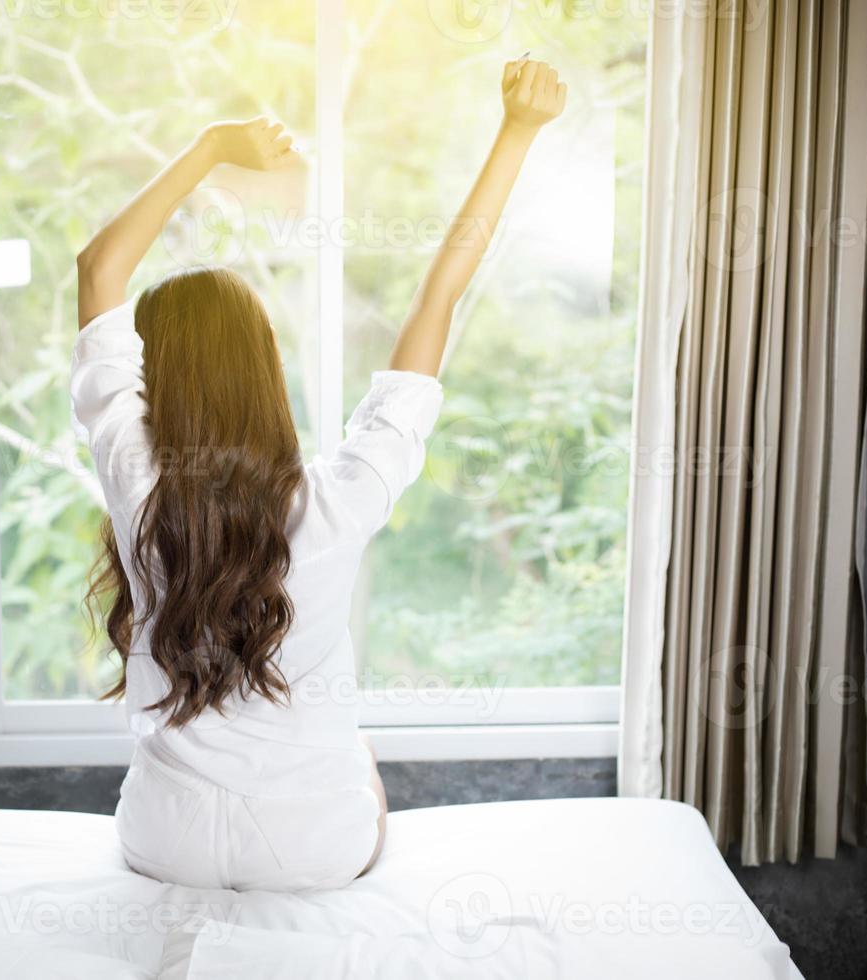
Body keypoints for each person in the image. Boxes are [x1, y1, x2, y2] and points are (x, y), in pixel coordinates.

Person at [71, 58, 566, 891]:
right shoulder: (340, 500)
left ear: (157, 384)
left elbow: (98, 270)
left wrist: (209, 149)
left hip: (164, 840)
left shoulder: (138, 483)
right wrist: (517, 132)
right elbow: (435, 303)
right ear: (264, 374)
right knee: (358, 751)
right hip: (306, 851)